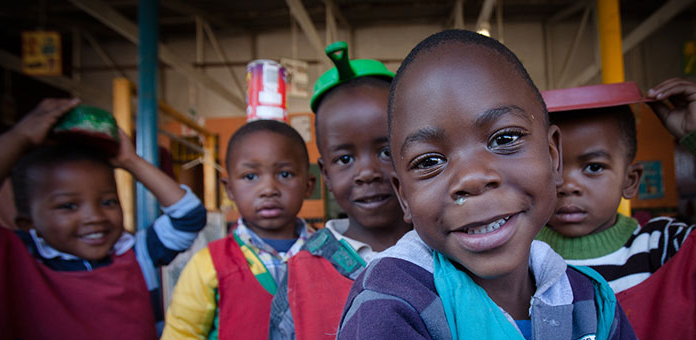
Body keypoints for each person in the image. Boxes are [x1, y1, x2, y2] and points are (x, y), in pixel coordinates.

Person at [337, 30, 636, 340]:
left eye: (504, 139)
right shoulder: (391, 303)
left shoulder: (590, 302)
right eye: (428, 162)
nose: (472, 178)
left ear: (552, 156)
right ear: (404, 197)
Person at [536, 78, 696, 339]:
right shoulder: (521, 253)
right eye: (552, 168)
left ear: (630, 181)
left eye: (594, 167)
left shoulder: (662, 247)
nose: (567, 185)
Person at [0, 99, 207, 340]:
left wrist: (131, 161)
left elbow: (189, 216)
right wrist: (19, 138)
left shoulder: (135, 254)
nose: (94, 217)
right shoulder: (15, 257)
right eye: (68, 206)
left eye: (108, 202)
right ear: (27, 223)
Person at [268, 41, 411, 340]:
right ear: (325, 175)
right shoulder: (301, 273)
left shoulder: (447, 249)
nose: (367, 173)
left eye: (385, 151)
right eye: (344, 159)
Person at [163, 119, 316, 340]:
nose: (268, 189)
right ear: (230, 190)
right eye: (250, 176)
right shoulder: (208, 265)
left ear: (308, 186)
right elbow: (181, 333)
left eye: (284, 174)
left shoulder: (333, 255)